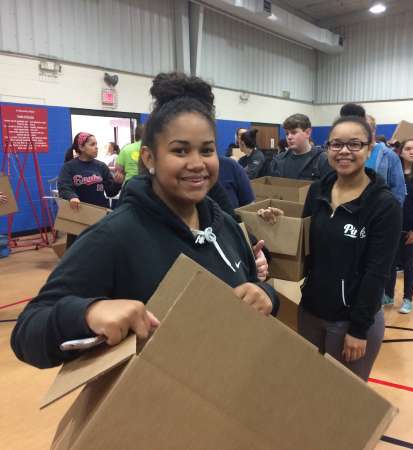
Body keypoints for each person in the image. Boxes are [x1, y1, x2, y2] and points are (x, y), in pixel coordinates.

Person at [11, 72, 278, 369]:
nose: (197, 163)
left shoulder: (225, 226)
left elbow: (256, 286)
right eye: (180, 150)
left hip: (230, 392)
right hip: (153, 406)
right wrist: (88, 313)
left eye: (207, 150)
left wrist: (266, 294)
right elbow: (27, 331)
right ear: (150, 158)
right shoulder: (115, 236)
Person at [260, 115, 402, 381]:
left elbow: (377, 272)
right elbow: (306, 245)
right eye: (336, 144)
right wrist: (280, 223)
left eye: (355, 144)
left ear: (369, 148)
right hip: (311, 311)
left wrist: (359, 330)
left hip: (350, 322)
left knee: (345, 404)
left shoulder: (383, 205)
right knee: (310, 387)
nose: (344, 151)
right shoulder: (318, 191)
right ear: (327, 149)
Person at [384, 140, 413, 313]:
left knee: (408, 264)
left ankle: (407, 299)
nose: (412, 152)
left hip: (410, 228)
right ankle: (388, 295)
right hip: (393, 226)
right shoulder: (394, 174)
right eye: (408, 149)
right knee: (390, 262)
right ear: (400, 151)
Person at [58, 133, 123, 248]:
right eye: (92, 144)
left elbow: (110, 192)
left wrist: (117, 183)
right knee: (77, 251)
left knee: (99, 250)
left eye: (96, 144)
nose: (96, 147)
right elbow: (64, 186)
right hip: (78, 215)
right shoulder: (69, 167)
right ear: (82, 148)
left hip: (99, 216)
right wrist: (72, 196)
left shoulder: (101, 166)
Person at [340, 105, 406, 206]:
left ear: (374, 131)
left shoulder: (389, 156)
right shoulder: (349, 153)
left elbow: (398, 190)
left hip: (379, 211)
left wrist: (390, 214)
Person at [270, 114, 331, 181]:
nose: (289, 137)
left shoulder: (323, 160)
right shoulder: (279, 160)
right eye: (287, 133)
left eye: (294, 132)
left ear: (308, 133)